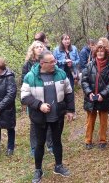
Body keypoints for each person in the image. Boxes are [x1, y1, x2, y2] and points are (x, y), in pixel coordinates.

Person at [21, 51, 75, 183]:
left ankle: (58, 166)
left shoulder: (61, 74)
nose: (54, 64)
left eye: (54, 61)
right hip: (39, 118)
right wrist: (39, 105)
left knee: (57, 141)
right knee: (40, 144)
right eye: (51, 62)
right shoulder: (31, 76)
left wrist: (70, 110)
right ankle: (38, 170)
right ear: (42, 63)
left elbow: (69, 92)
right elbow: (24, 97)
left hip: (57, 116)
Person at [81, 38, 109, 150]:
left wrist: (103, 95)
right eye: (98, 51)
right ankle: (88, 140)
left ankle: (102, 140)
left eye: (102, 51)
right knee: (90, 120)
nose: (100, 53)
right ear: (95, 52)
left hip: (103, 98)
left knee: (103, 121)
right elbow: (84, 80)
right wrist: (89, 93)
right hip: (90, 97)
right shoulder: (89, 65)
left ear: (106, 53)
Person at [21, 41, 54, 157]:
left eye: (41, 46)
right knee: (34, 124)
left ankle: (50, 145)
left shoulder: (49, 61)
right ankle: (34, 148)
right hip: (34, 99)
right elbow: (24, 82)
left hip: (48, 94)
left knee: (50, 121)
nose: (40, 48)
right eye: (37, 47)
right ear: (33, 50)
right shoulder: (27, 64)